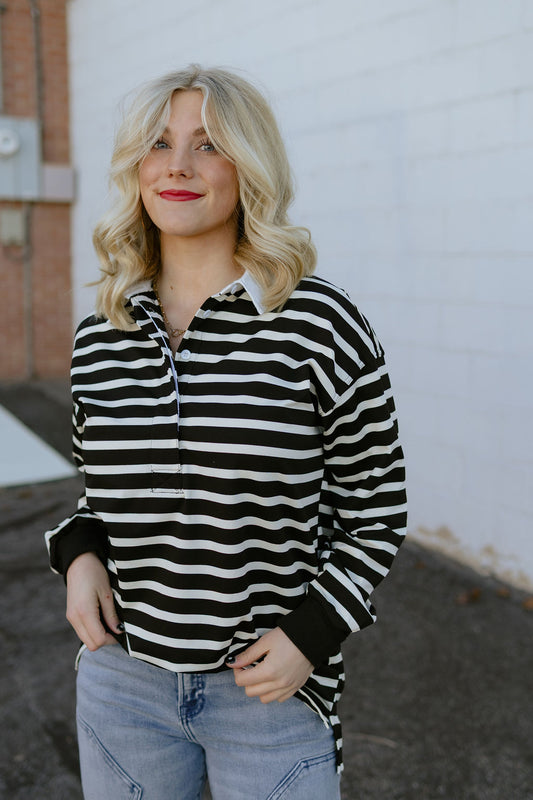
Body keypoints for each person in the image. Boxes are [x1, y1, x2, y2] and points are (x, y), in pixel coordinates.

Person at [45, 64, 407, 800]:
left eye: (207, 145)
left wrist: (310, 637)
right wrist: (80, 556)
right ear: (135, 168)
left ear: (250, 166)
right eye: (157, 143)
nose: (176, 164)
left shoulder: (317, 324)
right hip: (123, 685)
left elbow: (375, 509)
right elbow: (96, 499)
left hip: (268, 695)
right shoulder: (100, 336)